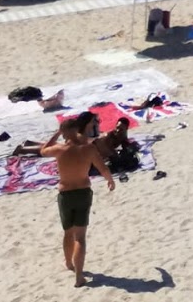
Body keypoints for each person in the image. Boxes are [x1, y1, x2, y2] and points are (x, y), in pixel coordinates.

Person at [41, 111, 115, 288]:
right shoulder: (88, 149)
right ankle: (79, 276)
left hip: (66, 195)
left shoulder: (60, 149)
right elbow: (103, 168)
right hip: (82, 193)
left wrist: (57, 134)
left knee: (68, 232)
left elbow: (43, 150)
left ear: (65, 132)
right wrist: (110, 180)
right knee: (80, 237)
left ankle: (69, 263)